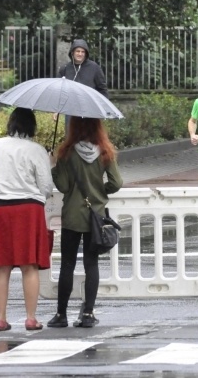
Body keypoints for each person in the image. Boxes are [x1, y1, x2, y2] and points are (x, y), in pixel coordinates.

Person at [0, 108, 53, 332]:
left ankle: (1, 318)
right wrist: (50, 161)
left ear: (10, 124)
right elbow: (46, 188)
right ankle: (31, 318)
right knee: (29, 266)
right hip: (28, 209)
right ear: (32, 127)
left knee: (1, 268)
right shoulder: (37, 150)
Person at [49, 117, 123, 328]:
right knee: (91, 264)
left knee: (67, 264)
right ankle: (88, 313)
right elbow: (117, 182)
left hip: (72, 215)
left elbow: (63, 186)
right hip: (95, 215)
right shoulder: (105, 151)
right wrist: (100, 192)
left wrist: (55, 166)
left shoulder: (66, 152)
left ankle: (61, 315)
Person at [55, 39, 109, 129]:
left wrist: (103, 108)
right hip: (71, 110)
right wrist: (56, 109)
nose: (80, 54)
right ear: (72, 52)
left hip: (90, 110)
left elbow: (102, 89)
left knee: (89, 138)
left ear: (86, 53)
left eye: (83, 52)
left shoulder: (94, 68)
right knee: (71, 137)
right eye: (78, 51)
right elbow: (59, 91)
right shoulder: (65, 69)